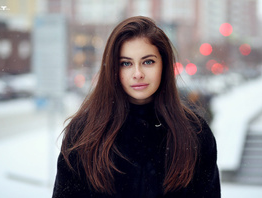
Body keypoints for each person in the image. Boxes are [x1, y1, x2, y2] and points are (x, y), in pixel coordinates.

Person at [52, 16, 221, 198]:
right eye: (126, 63)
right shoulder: (83, 134)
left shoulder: (195, 133)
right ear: (113, 69)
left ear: (164, 65)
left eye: (148, 61)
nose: (138, 73)